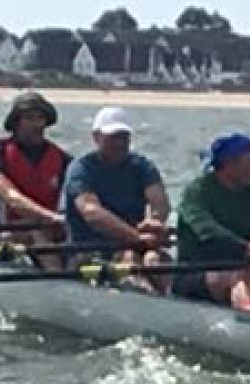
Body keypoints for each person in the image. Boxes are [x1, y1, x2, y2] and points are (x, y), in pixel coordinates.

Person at [172, 132, 250, 309]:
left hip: (248, 266)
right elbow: (209, 232)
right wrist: (249, 247)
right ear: (229, 164)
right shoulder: (197, 193)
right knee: (241, 275)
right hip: (195, 273)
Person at [62, 108, 170, 280]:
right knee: (130, 258)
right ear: (96, 137)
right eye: (113, 137)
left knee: (153, 259)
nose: (119, 143)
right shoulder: (81, 169)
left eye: (124, 137)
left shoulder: (142, 166)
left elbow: (160, 204)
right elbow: (92, 213)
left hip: (134, 245)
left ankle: (161, 289)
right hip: (88, 251)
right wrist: (136, 237)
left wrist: (154, 223)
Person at [0, 93, 71, 261]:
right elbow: (12, 198)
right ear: (16, 123)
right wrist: (52, 217)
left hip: (49, 229)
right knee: (37, 235)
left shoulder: (63, 159)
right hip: (5, 232)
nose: (37, 124)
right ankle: (53, 270)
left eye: (40, 118)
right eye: (29, 118)